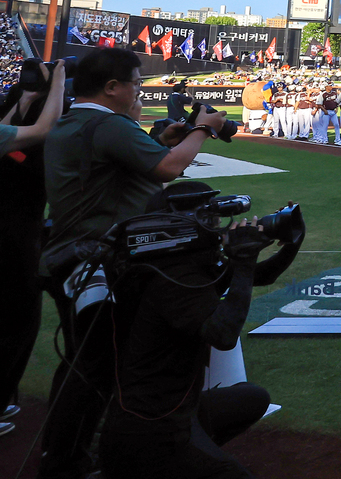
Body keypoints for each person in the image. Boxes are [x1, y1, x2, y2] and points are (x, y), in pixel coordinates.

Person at [39, 48, 227, 479]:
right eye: (136, 83)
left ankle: (66, 454)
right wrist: (204, 128)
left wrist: (161, 141)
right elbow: (169, 169)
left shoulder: (73, 120)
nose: (139, 91)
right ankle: (69, 462)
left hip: (72, 258)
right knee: (96, 368)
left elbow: (111, 171)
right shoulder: (108, 124)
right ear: (112, 87)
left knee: (84, 363)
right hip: (98, 263)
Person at [99, 181, 303, 479]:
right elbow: (223, 335)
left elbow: (262, 276)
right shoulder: (175, 277)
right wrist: (244, 260)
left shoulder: (175, 263)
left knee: (252, 398)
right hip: (153, 429)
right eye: (208, 218)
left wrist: (292, 240)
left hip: (172, 410)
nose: (217, 226)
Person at [0, 59, 68, 439]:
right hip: (15, 237)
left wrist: (25, 96)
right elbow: (45, 128)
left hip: (14, 232)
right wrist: (57, 80)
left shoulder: (7, 125)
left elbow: (13, 128)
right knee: (19, 320)